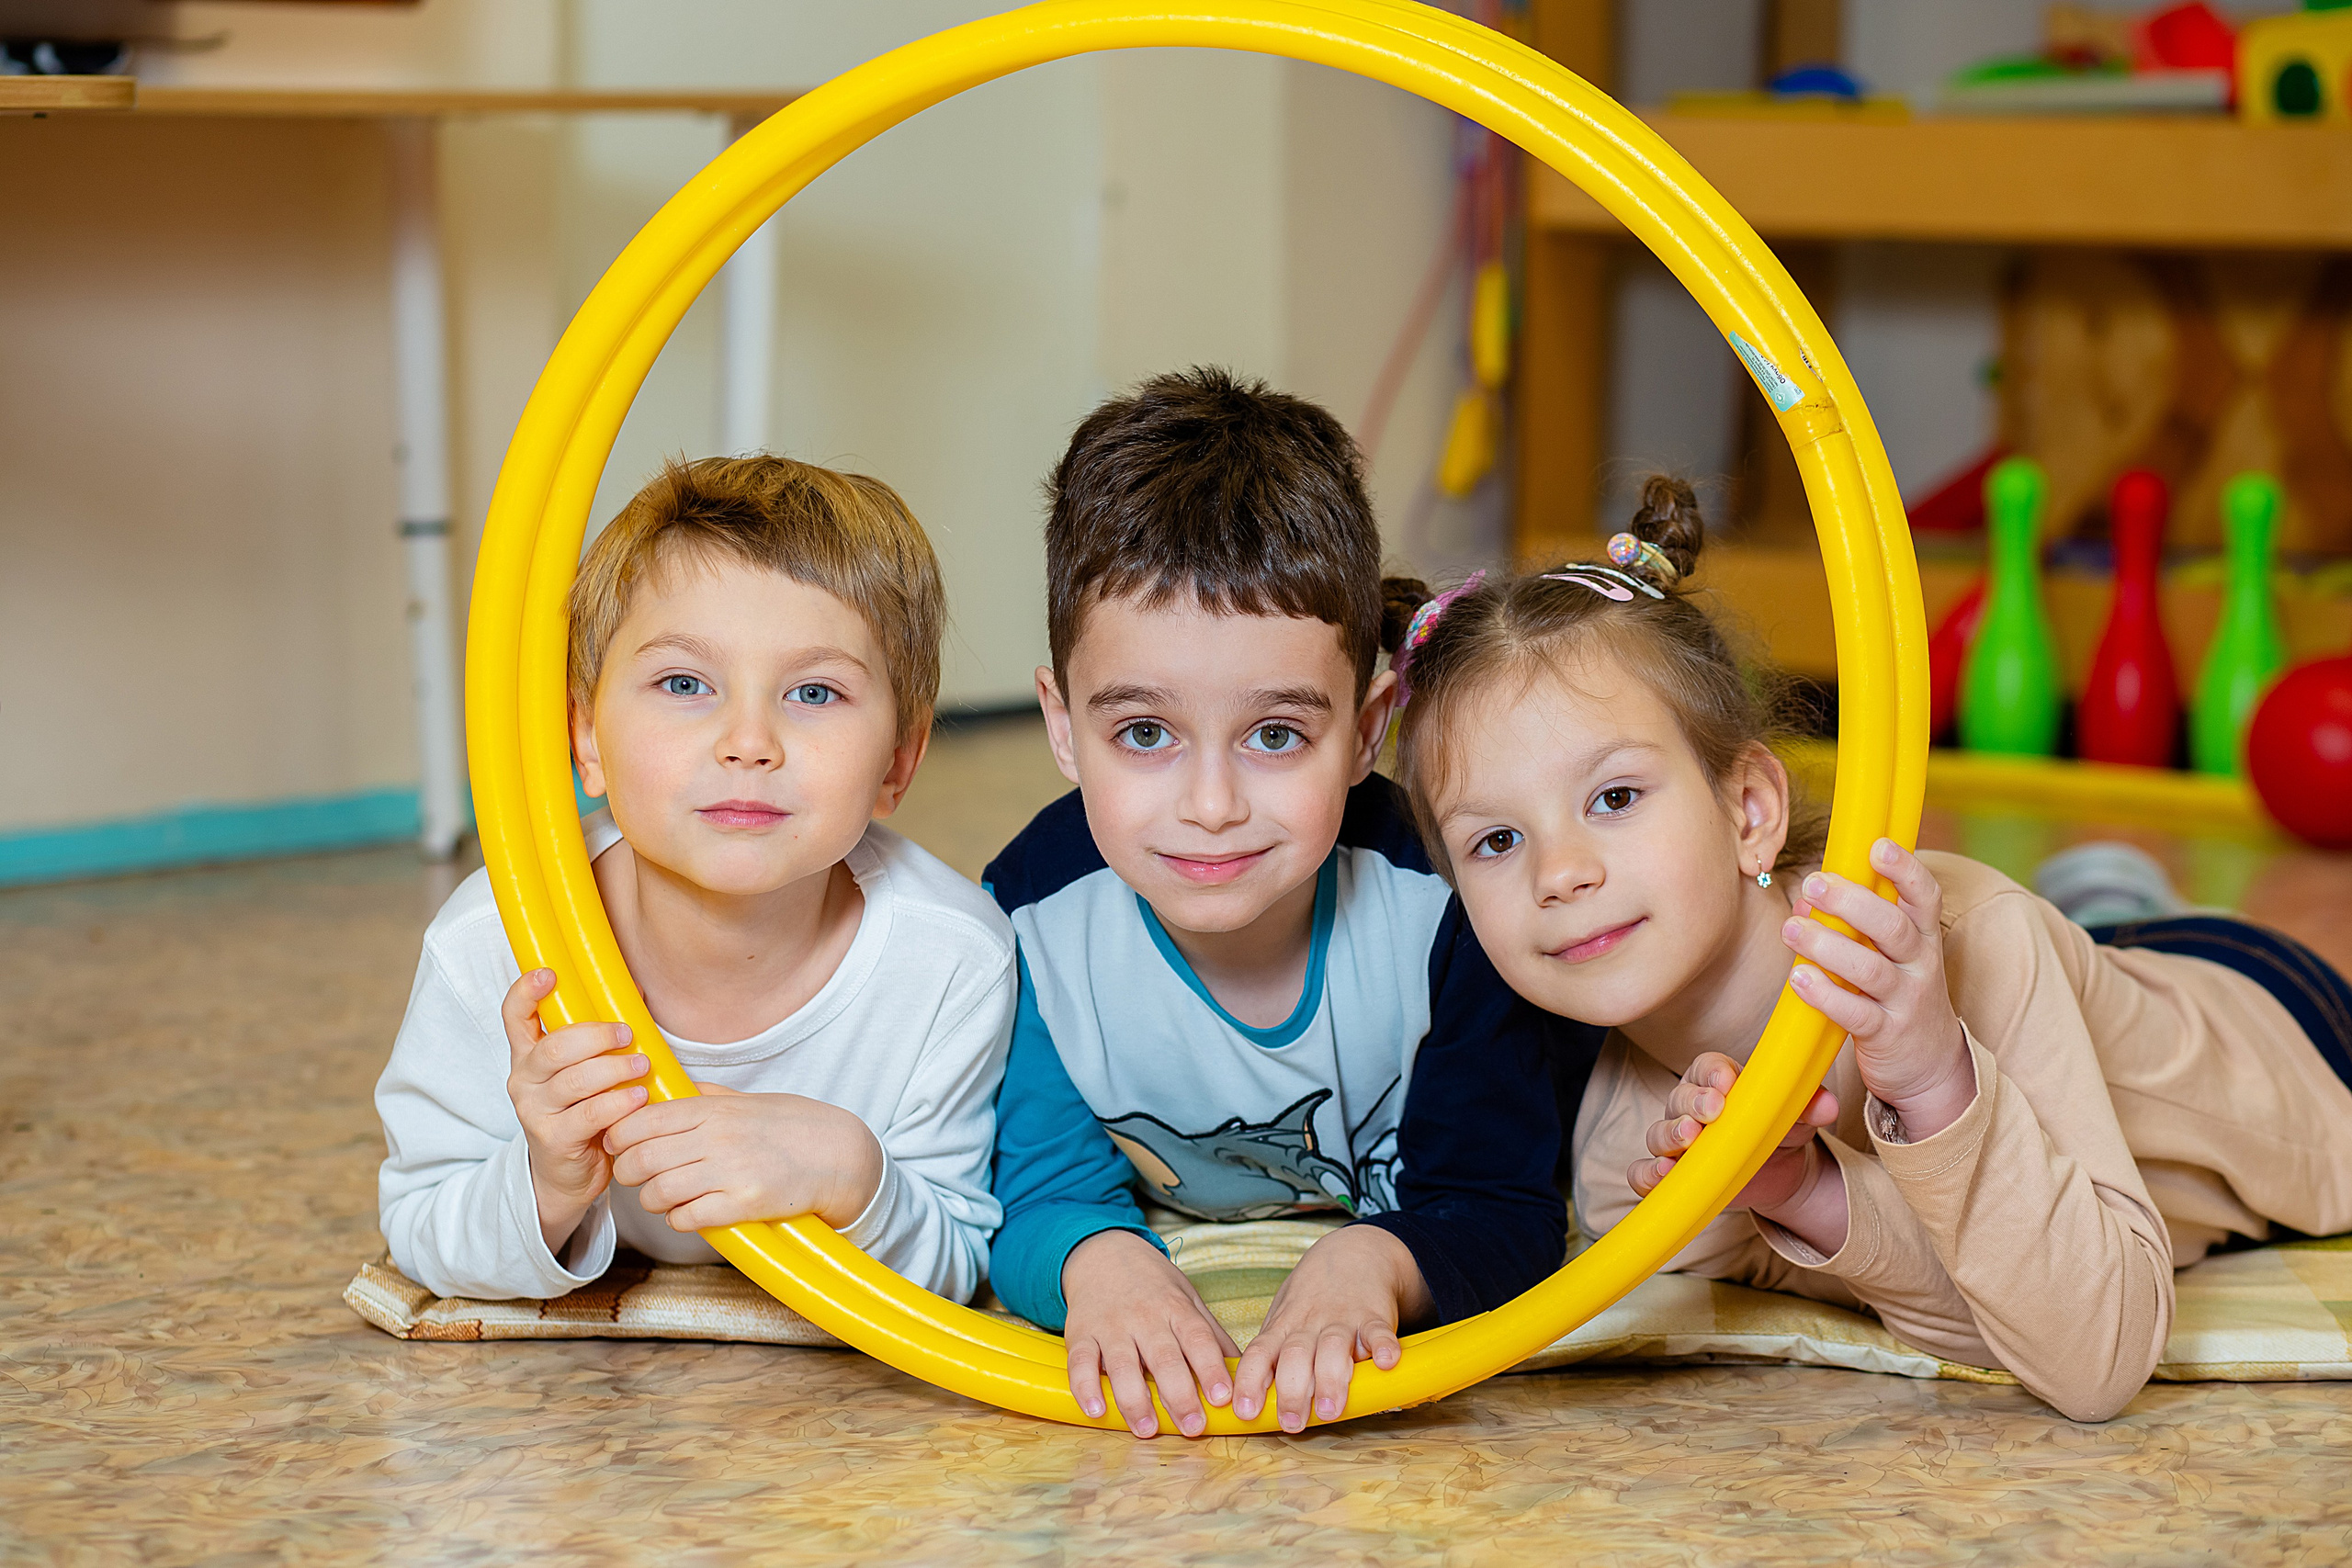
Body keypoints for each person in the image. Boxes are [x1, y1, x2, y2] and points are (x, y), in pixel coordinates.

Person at [1382, 474, 2352, 1422]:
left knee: (2017, 927)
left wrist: (1934, 1078)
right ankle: (2109, 897)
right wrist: (1804, 1195)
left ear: (1750, 810)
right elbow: (1981, 1322)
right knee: (2077, 937)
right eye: (1495, 842)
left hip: (2285, 1025)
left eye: (1615, 797)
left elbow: (2096, 1361)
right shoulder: (1626, 1165)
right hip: (2092, 969)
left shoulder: (1981, 943)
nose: (1559, 872)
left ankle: (2114, 900)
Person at [984, 367, 1601, 1438]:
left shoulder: (1449, 901)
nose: (1212, 806)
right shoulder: (1020, 921)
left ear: (1367, 728)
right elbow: (1034, 1191)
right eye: (1143, 734)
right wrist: (1101, 1264)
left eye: (1276, 735)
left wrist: (1379, 1263)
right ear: (1060, 722)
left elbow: (1503, 1206)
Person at [376, 457, 1014, 1306]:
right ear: (587, 738)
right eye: (684, 683)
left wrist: (857, 1179)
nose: (748, 741)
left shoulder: (954, 959)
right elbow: (420, 1223)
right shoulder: (496, 938)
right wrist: (548, 1183)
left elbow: (957, 1257)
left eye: (814, 692)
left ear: (898, 762)